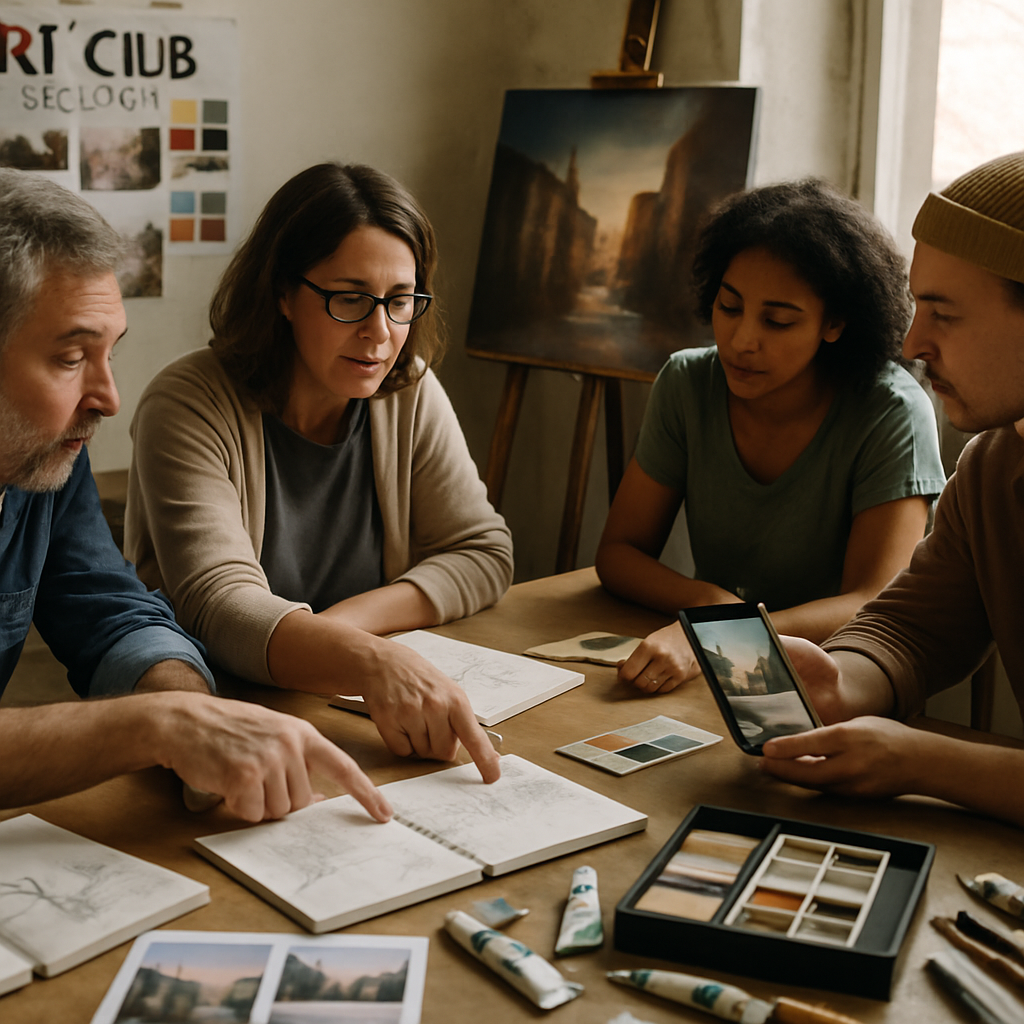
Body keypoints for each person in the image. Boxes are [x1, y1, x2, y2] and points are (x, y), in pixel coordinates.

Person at [0, 168, 391, 824]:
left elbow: (110, 616)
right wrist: (159, 725)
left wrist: (195, 708)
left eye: (109, 354)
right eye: (71, 359)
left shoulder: (36, 455)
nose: (109, 399)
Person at [125, 163, 510, 782]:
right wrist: (368, 660)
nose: (380, 334)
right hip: (223, 726)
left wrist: (347, 631)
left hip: (346, 712)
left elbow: (482, 550)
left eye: (400, 301)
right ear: (282, 293)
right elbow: (218, 604)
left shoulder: (405, 389)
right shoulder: (187, 402)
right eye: (350, 298)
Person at [595, 179, 945, 694]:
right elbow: (619, 551)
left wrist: (725, 630)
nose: (741, 341)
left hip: (840, 681)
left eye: (778, 321)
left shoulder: (890, 412)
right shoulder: (688, 382)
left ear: (835, 323)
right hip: (715, 669)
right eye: (729, 307)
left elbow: (872, 602)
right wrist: (711, 605)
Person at [759, 151, 1024, 827]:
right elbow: (913, 628)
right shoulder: (996, 467)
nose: (912, 343)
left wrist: (922, 761)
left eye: (944, 314)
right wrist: (840, 679)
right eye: (915, 306)